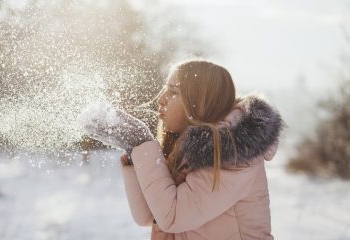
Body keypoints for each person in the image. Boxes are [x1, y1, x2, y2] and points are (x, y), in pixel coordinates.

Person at [82, 60, 284, 239]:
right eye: (165, 89)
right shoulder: (186, 145)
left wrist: (141, 141)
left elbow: (173, 217)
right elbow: (149, 216)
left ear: (200, 101)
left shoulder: (234, 157)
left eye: (174, 92)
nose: (161, 99)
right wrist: (134, 151)